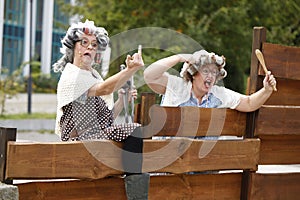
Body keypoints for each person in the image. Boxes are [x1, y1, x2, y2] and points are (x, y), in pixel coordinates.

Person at [53, 19, 149, 200]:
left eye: (94, 44)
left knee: (136, 130)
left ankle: (135, 194)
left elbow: (106, 119)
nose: (89, 47)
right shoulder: (72, 75)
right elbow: (104, 89)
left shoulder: (93, 76)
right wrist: (130, 70)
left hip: (97, 135)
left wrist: (122, 100)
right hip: (79, 140)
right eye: (84, 43)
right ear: (74, 47)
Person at [144, 49, 277, 112]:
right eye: (206, 71)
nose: (211, 76)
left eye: (214, 72)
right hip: (170, 162)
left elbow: (248, 103)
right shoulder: (177, 86)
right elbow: (150, 75)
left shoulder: (219, 94)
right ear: (194, 74)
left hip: (204, 164)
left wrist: (266, 89)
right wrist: (179, 57)